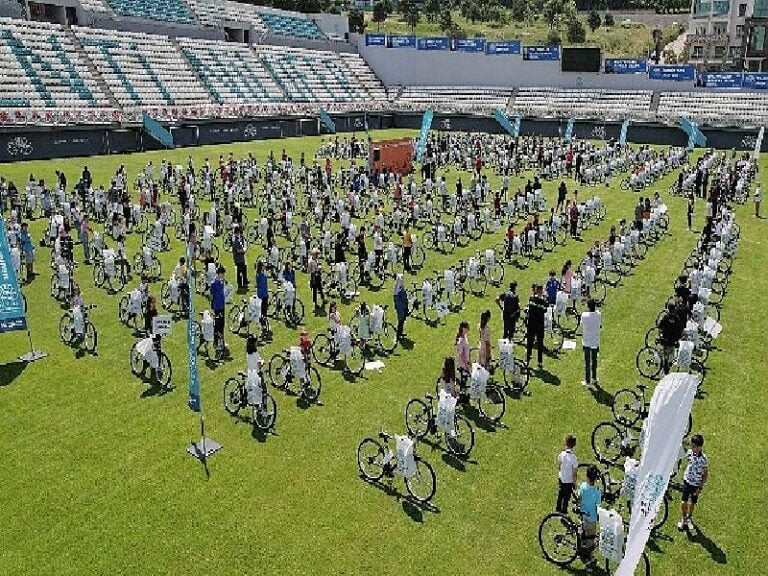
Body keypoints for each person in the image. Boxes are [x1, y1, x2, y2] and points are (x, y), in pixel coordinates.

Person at [678, 434, 708, 532]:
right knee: (684, 502)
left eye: (695, 447)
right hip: (687, 481)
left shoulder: (703, 460)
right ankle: (683, 518)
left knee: (692, 502)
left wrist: (700, 487)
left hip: (696, 484)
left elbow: (705, 475)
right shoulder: (690, 453)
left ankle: (689, 517)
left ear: (700, 447)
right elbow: (684, 447)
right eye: (692, 446)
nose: (693, 448)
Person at [578, 465, 602, 571]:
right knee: (591, 538)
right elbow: (598, 505)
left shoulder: (582, 486)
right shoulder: (597, 492)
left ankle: (581, 546)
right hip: (592, 517)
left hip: (583, 514)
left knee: (583, 531)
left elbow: (579, 497)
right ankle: (589, 557)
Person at [526, 284, 547, 370]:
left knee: (529, 343)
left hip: (531, 324)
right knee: (540, 344)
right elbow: (545, 309)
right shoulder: (543, 302)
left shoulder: (531, 299)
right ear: (541, 291)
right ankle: (539, 362)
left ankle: (527, 360)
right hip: (539, 325)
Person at [581, 299, 601, 387]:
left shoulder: (584, 315)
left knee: (587, 362)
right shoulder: (598, 314)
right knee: (594, 361)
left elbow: (582, 323)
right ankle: (594, 378)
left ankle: (587, 381)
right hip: (595, 341)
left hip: (586, 341)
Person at [658, 302, 683, 374]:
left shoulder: (666, 317)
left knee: (665, 352)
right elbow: (681, 327)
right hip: (673, 340)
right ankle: (668, 362)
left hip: (666, 339)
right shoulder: (676, 317)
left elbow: (659, 326)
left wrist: (660, 335)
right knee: (671, 353)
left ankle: (665, 361)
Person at [556, 435, 578, 514]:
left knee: (560, 493)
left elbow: (559, 465)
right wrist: (575, 484)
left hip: (562, 478)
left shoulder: (561, 454)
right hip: (569, 481)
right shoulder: (574, 458)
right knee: (566, 497)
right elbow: (574, 473)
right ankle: (564, 510)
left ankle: (558, 508)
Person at [210, 266, 226, 350]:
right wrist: (212, 307)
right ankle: (216, 343)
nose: (224, 276)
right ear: (219, 274)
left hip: (222, 306)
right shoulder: (213, 283)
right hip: (217, 307)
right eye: (223, 274)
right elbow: (211, 296)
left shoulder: (221, 282)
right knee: (217, 326)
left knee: (222, 325)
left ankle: (221, 341)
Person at [232, 226, 248, 291]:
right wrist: (244, 250)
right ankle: (240, 284)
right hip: (238, 259)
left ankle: (245, 281)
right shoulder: (235, 240)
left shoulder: (238, 239)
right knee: (239, 272)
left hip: (241, 258)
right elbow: (237, 250)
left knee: (244, 269)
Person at [393, 274, 408, 341]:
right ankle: (398, 335)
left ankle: (400, 333)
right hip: (400, 308)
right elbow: (398, 301)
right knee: (400, 321)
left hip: (403, 306)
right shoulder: (397, 290)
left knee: (403, 320)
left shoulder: (401, 287)